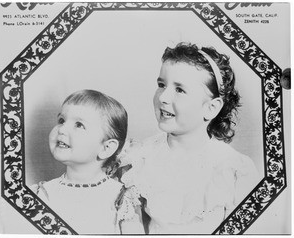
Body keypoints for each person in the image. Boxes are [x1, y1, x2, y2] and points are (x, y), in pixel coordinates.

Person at [121, 42, 260, 234]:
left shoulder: (234, 168)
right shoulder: (140, 157)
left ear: (211, 108)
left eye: (179, 90)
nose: (163, 97)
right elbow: (131, 223)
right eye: (161, 85)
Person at [30, 89, 144, 234]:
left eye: (79, 125)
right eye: (61, 120)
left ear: (106, 148)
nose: (62, 129)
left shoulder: (122, 198)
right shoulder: (42, 193)